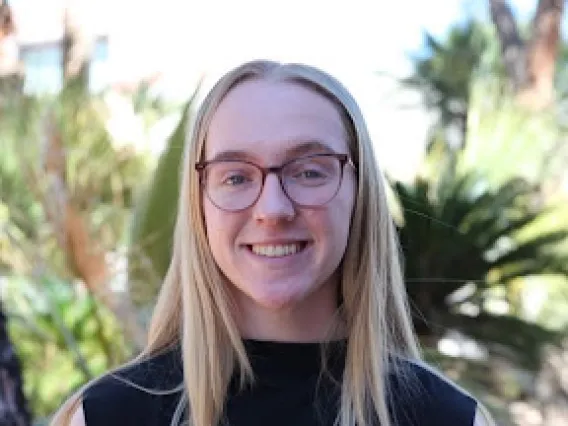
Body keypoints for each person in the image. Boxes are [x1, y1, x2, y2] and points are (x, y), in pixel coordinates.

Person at [51, 60, 495, 426]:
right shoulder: (106, 416)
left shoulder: (448, 419)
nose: (273, 208)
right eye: (237, 176)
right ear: (199, 203)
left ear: (359, 194)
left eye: (309, 171)